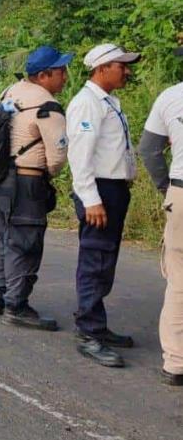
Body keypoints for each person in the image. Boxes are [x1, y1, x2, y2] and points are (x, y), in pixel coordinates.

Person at [66, 43, 141, 368]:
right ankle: (89, 333)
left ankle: (97, 324)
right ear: (102, 68)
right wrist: (90, 198)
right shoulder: (86, 104)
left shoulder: (108, 102)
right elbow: (79, 157)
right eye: (121, 65)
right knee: (95, 260)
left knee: (105, 259)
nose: (127, 71)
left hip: (113, 189)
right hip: (98, 190)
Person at [0, 45, 71, 330]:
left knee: (6, 238)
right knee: (26, 243)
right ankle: (17, 305)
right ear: (45, 75)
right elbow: (58, 157)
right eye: (61, 71)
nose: (66, 77)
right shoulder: (47, 106)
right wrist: (47, 174)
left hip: (1, 180)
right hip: (28, 181)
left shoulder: (9, 92)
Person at [138, 46, 183, 386]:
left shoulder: (171, 97)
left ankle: (176, 362)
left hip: (181, 192)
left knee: (180, 281)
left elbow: (149, 150)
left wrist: (165, 187)